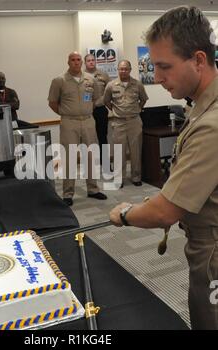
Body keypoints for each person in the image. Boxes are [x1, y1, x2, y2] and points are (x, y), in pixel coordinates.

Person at [109, 6, 218, 330]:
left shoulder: (212, 124)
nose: (156, 77)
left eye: (164, 66)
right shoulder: (203, 107)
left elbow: (164, 213)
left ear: (198, 60)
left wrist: (125, 214)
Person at [48, 52, 107, 206]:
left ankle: (93, 189)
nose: (76, 62)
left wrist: (85, 111)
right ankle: (68, 193)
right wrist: (66, 113)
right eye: (73, 60)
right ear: (68, 62)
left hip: (88, 121)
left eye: (78, 60)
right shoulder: (59, 80)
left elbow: (95, 99)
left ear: (81, 62)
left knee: (91, 155)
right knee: (69, 157)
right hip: (69, 123)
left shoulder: (90, 79)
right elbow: (53, 102)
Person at [104, 60, 148, 187]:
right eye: (121, 69)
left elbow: (143, 99)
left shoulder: (137, 84)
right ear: (118, 70)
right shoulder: (111, 85)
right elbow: (107, 101)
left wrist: (137, 110)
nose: (123, 71)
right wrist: (116, 111)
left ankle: (136, 177)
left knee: (136, 151)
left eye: (126, 69)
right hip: (118, 123)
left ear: (130, 70)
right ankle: (119, 178)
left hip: (134, 121)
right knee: (119, 152)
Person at [84, 54, 110, 166]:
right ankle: (90, 165)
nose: (91, 62)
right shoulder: (81, 76)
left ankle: (105, 164)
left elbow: (108, 92)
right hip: (86, 112)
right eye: (88, 60)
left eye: (93, 60)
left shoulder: (103, 75)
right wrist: (88, 105)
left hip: (100, 110)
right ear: (85, 63)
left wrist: (96, 103)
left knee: (102, 137)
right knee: (88, 139)